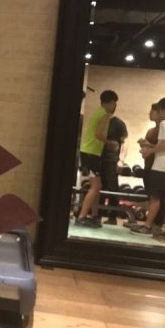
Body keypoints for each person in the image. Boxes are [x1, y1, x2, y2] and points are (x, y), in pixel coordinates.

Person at [132, 97, 165, 240]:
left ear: (164, 111)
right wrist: (150, 146)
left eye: (158, 111)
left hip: (161, 167)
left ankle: (147, 227)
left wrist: (150, 151)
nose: (157, 114)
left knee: (154, 199)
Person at [75, 90, 119, 227]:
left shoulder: (98, 112)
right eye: (115, 103)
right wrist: (111, 143)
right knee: (95, 186)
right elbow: (98, 134)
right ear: (111, 102)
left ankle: (94, 216)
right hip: (91, 153)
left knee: (97, 186)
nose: (115, 106)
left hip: (89, 152)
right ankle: (81, 217)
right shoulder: (104, 114)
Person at [131, 103, 165, 229]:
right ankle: (150, 223)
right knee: (150, 196)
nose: (150, 114)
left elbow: (163, 148)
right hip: (148, 165)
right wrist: (144, 146)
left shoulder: (164, 130)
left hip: (158, 167)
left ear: (159, 113)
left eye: (153, 111)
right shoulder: (151, 131)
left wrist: (148, 145)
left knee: (157, 197)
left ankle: (156, 224)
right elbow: (148, 148)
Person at [99, 116, 128, 225]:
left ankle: (112, 217)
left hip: (112, 160)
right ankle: (97, 215)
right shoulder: (101, 120)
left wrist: (121, 160)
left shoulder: (118, 123)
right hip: (99, 158)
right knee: (99, 187)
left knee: (112, 188)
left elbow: (125, 142)